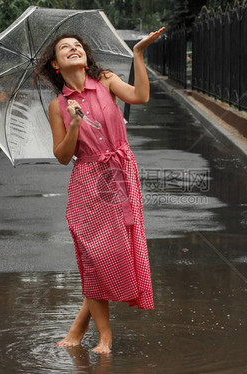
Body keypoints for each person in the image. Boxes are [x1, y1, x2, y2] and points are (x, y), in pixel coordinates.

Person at [35, 27, 165, 354]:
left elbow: (141, 97)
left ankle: (79, 327)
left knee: (114, 254)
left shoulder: (106, 81)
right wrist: (75, 124)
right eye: (66, 48)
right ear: (55, 64)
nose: (74, 49)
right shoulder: (57, 106)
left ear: (85, 56)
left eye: (78, 45)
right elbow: (63, 157)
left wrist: (138, 55)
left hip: (120, 173)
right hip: (88, 180)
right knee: (95, 257)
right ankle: (105, 336)